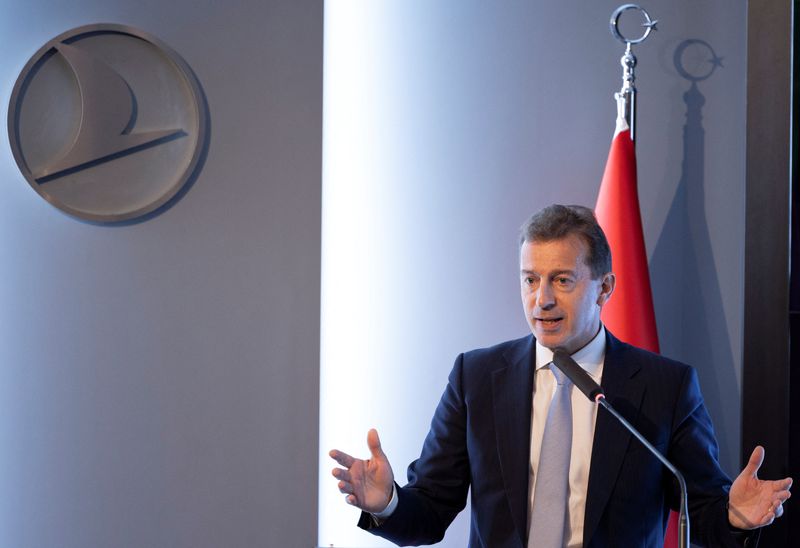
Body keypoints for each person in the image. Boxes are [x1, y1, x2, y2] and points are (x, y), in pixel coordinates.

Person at [330, 204, 792, 547]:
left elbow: (702, 509)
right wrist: (387, 501)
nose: (541, 300)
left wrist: (734, 516)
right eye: (530, 280)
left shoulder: (664, 388)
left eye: (562, 280)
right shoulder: (475, 378)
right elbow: (430, 511)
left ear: (604, 287)